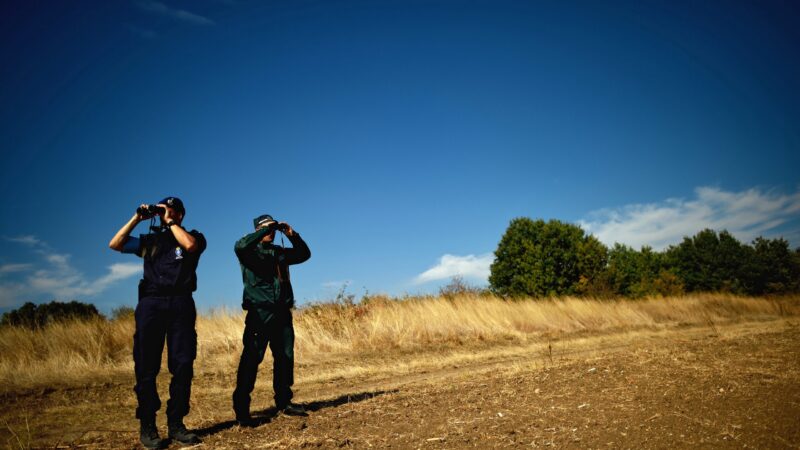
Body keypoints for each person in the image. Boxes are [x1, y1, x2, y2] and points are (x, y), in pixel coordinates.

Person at [108, 197, 206, 449]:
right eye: (163, 210)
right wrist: (136, 218)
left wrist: (171, 222)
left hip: (181, 303)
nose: (165, 214)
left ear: (181, 214)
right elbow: (115, 244)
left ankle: (176, 423)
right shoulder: (150, 241)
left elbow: (191, 246)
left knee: (183, 364)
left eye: (171, 211)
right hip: (151, 304)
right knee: (146, 366)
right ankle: (148, 425)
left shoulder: (193, 236)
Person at [232, 214, 311, 425]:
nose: (271, 232)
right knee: (251, 359)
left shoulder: (279, 253)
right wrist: (262, 231)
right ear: (257, 230)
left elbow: (304, 254)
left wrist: (292, 234)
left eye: (272, 229)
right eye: (266, 228)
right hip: (260, 314)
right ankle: (242, 409)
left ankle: (284, 402)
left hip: (282, 313)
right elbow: (239, 247)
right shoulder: (249, 252)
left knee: (285, 357)